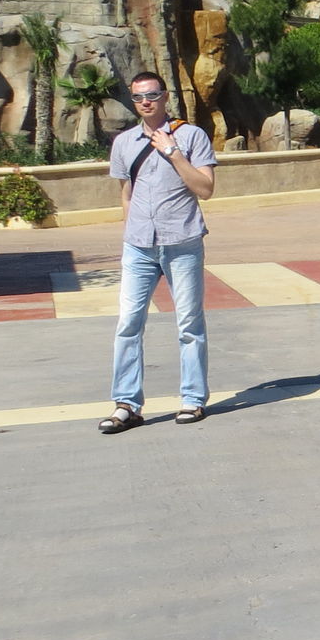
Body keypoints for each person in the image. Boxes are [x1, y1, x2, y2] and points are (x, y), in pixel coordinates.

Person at [98, 71, 216, 433]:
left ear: (165, 97)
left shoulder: (192, 136)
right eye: (138, 97)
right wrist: (128, 231)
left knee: (189, 324)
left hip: (181, 241)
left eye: (151, 95)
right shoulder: (124, 142)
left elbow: (205, 188)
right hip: (139, 247)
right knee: (128, 323)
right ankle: (126, 404)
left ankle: (193, 399)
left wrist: (173, 153)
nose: (145, 102)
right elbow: (126, 193)